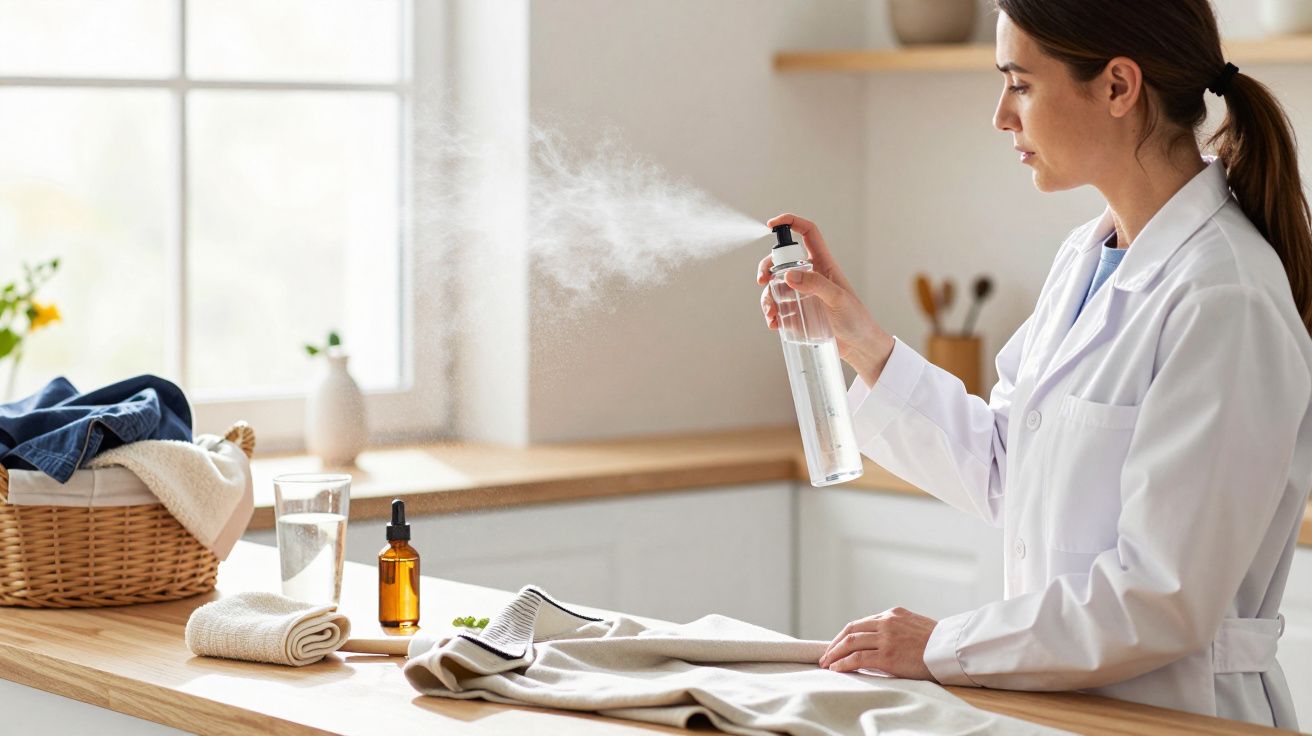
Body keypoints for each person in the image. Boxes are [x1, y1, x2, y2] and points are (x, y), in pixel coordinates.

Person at [757, 1, 1312, 729]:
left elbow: (1163, 596)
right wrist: (861, 341)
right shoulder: (1086, 259)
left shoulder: (1224, 294)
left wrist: (943, 645)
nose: (1000, 115)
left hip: (1176, 715)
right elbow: (1009, 472)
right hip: (1068, 709)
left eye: (1019, 83)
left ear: (1118, 87)